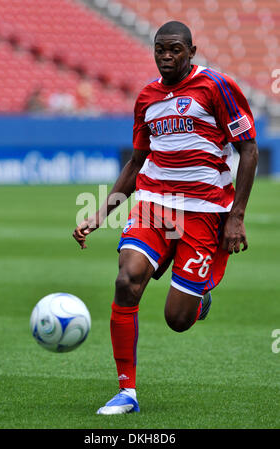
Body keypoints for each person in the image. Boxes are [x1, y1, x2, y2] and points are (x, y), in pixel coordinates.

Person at [73, 21, 258, 415]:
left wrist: (236, 216)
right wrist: (99, 214)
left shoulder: (215, 87)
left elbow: (249, 150)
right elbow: (136, 163)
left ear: (192, 50)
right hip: (155, 205)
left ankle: (198, 297)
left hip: (205, 213)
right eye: (161, 50)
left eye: (175, 49)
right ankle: (127, 392)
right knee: (127, 281)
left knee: (177, 319)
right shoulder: (146, 98)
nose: (167, 56)